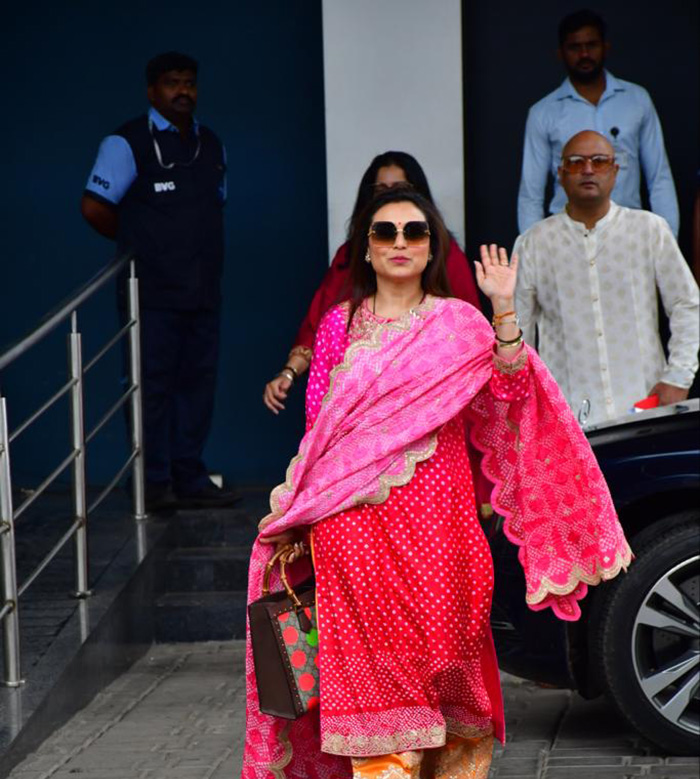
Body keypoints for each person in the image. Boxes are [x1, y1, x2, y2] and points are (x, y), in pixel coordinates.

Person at [229, 185, 631, 779]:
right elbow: (323, 423)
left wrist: (503, 305)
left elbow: (509, 387)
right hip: (353, 523)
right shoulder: (340, 325)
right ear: (365, 244)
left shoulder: (459, 324)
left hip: (441, 518)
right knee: (367, 666)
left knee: (451, 652)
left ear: (431, 244)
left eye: (414, 231)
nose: (398, 242)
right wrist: (303, 507)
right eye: (384, 231)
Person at [81, 51, 238, 512]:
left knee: (198, 385)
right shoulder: (126, 142)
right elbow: (94, 207)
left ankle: (189, 475)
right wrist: (139, 241)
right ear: (153, 90)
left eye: (189, 82)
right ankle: (153, 482)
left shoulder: (210, 144)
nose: (182, 91)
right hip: (150, 293)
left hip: (204, 289)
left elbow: (216, 205)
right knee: (152, 387)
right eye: (172, 83)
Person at [263, 151, 481, 414]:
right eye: (381, 190)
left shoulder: (452, 288)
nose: (399, 243)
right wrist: (289, 372)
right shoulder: (340, 303)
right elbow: (317, 321)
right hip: (361, 430)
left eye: (400, 189)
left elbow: (475, 352)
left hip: (437, 426)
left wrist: (504, 309)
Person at [514, 130, 699, 427]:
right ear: (560, 174)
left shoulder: (649, 229)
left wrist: (678, 376)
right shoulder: (534, 242)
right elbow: (519, 332)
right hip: (567, 416)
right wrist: (529, 403)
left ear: (615, 171)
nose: (588, 170)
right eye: (576, 162)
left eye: (599, 162)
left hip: (644, 404)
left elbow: (686, 304)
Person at [517, 9, 679, 237]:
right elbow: (530, 193)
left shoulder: (636, 100)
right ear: (560, 53)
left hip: (630, 233)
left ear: (605, 47)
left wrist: (667, 241)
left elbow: (659, 178)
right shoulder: (543, 112)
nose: (584, 54)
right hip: (566, 236)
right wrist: (530, 251)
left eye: (591, 45)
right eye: (575, 47)